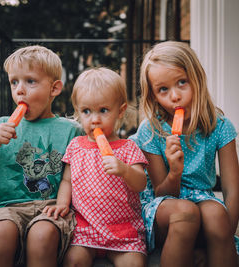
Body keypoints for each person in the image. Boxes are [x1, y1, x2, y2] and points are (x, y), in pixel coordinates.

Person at [129, 41, 239, 267]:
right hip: (163, 208)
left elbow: (232, 192)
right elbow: (161, 192)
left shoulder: (219, 126)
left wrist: (221, 240)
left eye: (182, 82)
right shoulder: (151, 131)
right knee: (186, 211)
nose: (175, 96)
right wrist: (174, 171)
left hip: (202, 199)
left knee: (217, 214)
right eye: (163, 89)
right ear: (153, 96)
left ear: (197, 79)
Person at [0, 45, 82, 267]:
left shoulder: (71, 130)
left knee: (42, 236)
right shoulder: (0, 126)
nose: (20, 90)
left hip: (52, 206)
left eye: (30, 81)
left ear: (54, 88)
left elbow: (78, 178)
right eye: (14, 82)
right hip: (6, 207)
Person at [44, 67, 148, 267]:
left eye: (103, 110)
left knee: (135, 264)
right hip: (85, 227)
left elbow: (141, 183)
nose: (95, 119)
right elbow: (67, 180)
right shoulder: (76, 146)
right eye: (86, 111)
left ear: (121, 111)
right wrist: (62, 203)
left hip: (123, 230)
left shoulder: (128, 148)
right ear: (78, 113)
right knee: (73, 261)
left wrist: (125, 170)